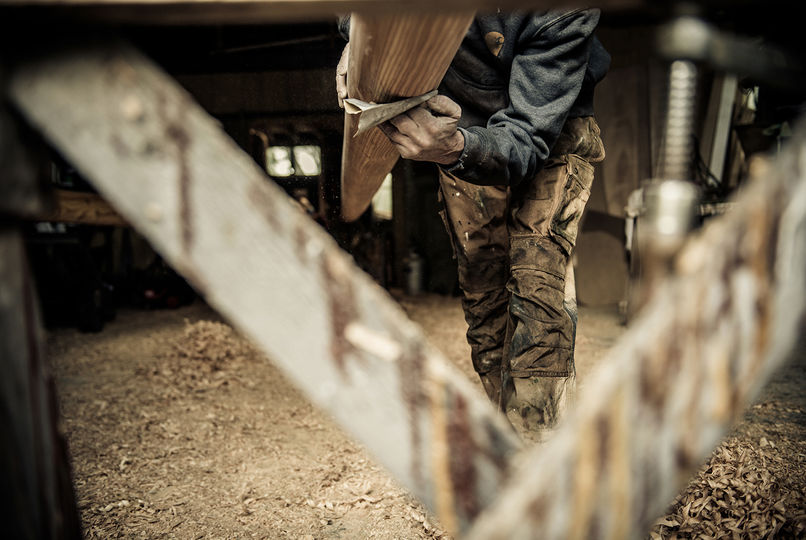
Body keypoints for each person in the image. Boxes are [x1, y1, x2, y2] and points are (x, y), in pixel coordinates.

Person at [336, 10, 609, 440]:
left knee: (537, 293)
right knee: (485, 299)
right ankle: (512, 437)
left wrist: (454, 147)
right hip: (461, 121)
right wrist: (356, 37)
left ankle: (543, 458)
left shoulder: (561, 10)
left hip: (547, 129)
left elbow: (527, 136)